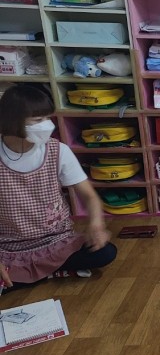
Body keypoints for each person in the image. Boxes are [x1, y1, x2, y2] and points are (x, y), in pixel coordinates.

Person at [0, 84, 117, 291]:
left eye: (47, 118)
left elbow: (89, 196)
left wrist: (96, 224)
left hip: (56, 242)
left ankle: (30, 276)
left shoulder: (57, 150)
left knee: (105, 252)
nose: (47, 125)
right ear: (12, 121)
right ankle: (47, 273)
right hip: (9, 247)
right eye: (38, 120)